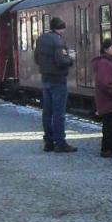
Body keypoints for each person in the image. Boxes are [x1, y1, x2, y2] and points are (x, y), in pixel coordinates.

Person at [33, 17, 76, 153]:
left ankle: (48, 142)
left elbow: (36, 58)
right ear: (61, 28)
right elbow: (61, 61)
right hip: (58, 80)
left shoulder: (41, 39)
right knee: (59, 113)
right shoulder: (58, 40)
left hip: (45, 79)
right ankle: (60, 143)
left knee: (47, 112)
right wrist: (71, 59)